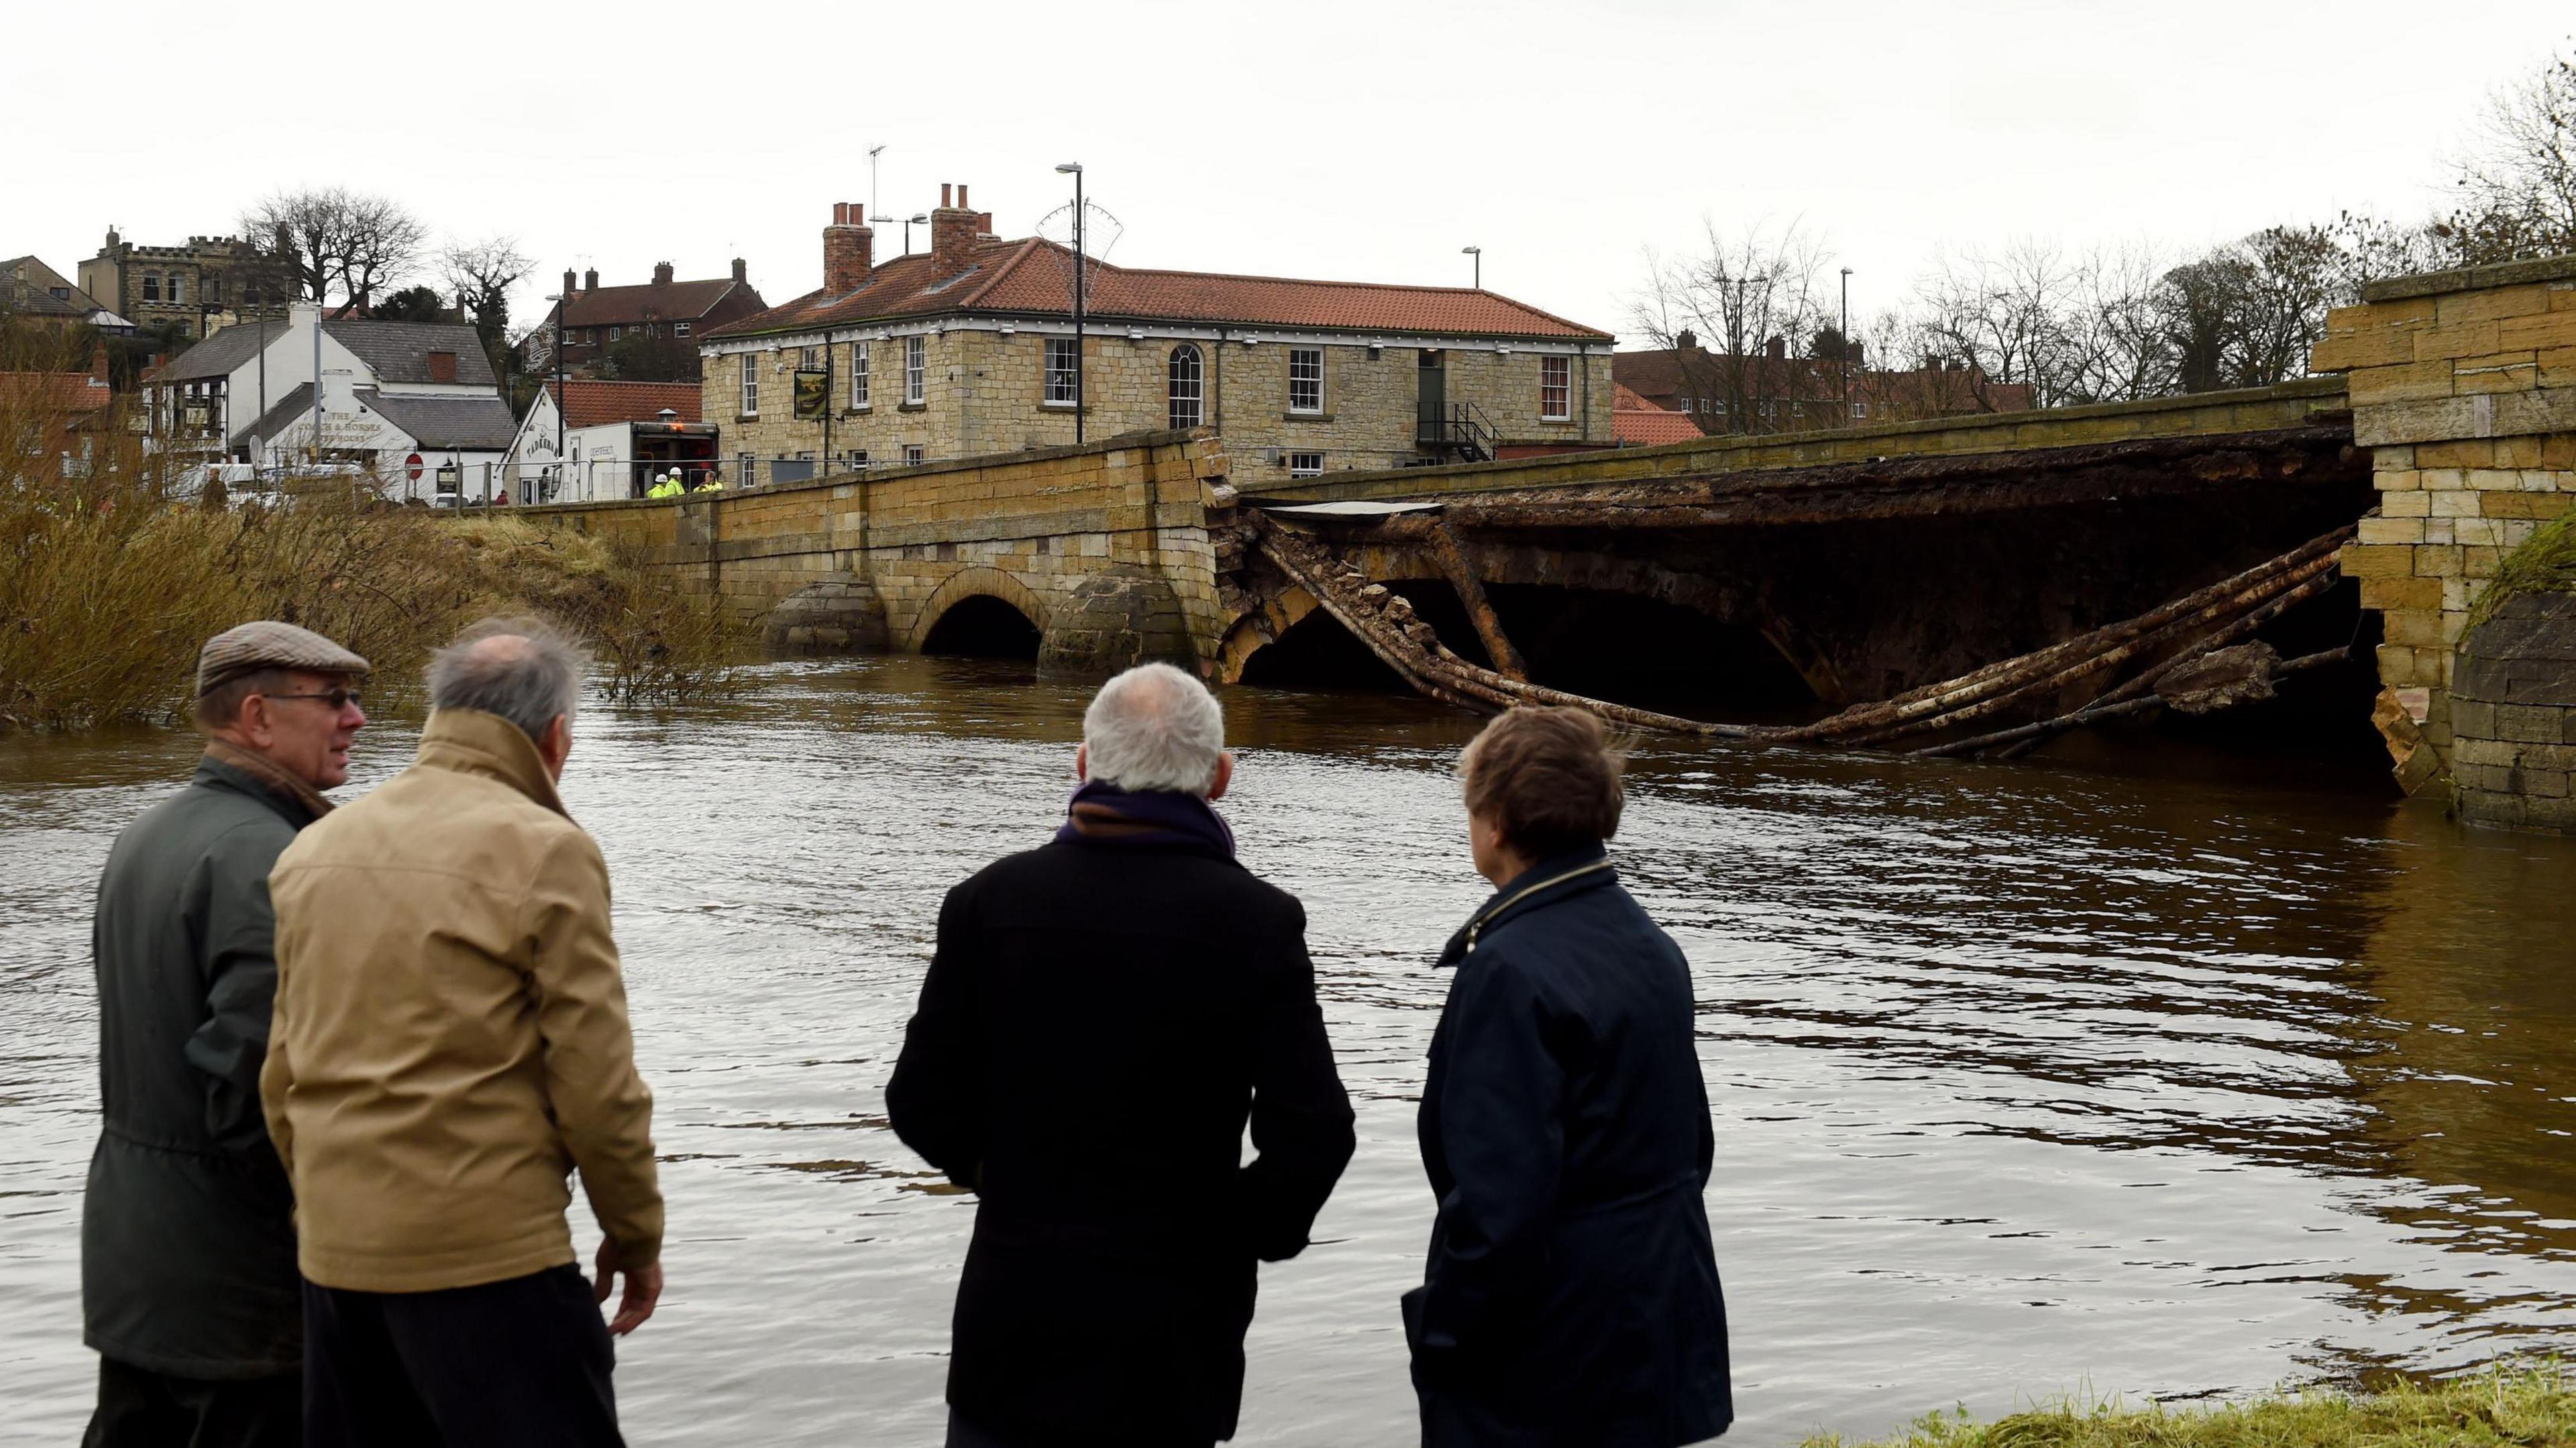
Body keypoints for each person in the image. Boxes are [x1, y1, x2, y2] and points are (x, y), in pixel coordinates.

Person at [890, 662, 1356, 1448]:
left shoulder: (988, 902)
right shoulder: (1259, 922)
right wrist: (1227, 1231)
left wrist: (996, 1178)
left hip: (1015, 1327)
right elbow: (1314, 1136)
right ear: (1220, 777)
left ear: (1082, 763)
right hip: (1173, 1345)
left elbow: (921, 1099)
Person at [262, 618, 663, 1448]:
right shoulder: (547, 850)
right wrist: (634, 1233)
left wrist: (328, 1207)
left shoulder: (315, 848)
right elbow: (597, 1084)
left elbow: (282, 1072)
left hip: (336, 1262)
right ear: (554, 736)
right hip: (490, 1261)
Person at [1403, 706, 1732, 1448]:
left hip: (1548, 1357)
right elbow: (1693, 1147)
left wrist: (1442, 1334)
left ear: (1494, 821)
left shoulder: (1508, 967)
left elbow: (1499, 1209)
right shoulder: (1651, 943)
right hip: (1656, 1320)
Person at [83, 621, 369, 1448]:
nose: (355, 718)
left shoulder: (146, 835)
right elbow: (254, 1097)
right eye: (335, 700)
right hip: (239, 1299)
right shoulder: (271, 859)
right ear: (258, 715)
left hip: (133, 1269)